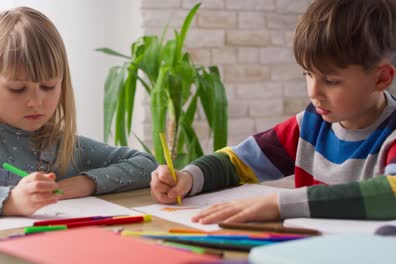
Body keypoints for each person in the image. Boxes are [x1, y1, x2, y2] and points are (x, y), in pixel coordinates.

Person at [150, 0, 396, 224]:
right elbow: (239, 161)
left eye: (331, 81)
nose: (313, 91)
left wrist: (279, 204)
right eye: (307, 74)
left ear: (381, 78)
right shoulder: (309, 125)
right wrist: (189, 177)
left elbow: (391, 193)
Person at [0, 7, 157, 218]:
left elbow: (146, 164)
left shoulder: (61, 146)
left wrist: (85, 182)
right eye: (18, 89)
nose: (36, 102)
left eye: (48, 87)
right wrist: (10, 201)